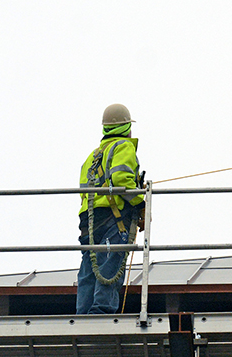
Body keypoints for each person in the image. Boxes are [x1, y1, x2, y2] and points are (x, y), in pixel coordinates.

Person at [77, 103, 145, 314]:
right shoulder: (124, 147)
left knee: (90, 265)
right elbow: (120, 179)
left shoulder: (94, 155)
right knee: (109, 262)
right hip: (113, 215)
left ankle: (83, 312)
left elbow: (83, 189)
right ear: (126, 127)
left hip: (89, 218)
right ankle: (101, 312)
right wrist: (140, 202)